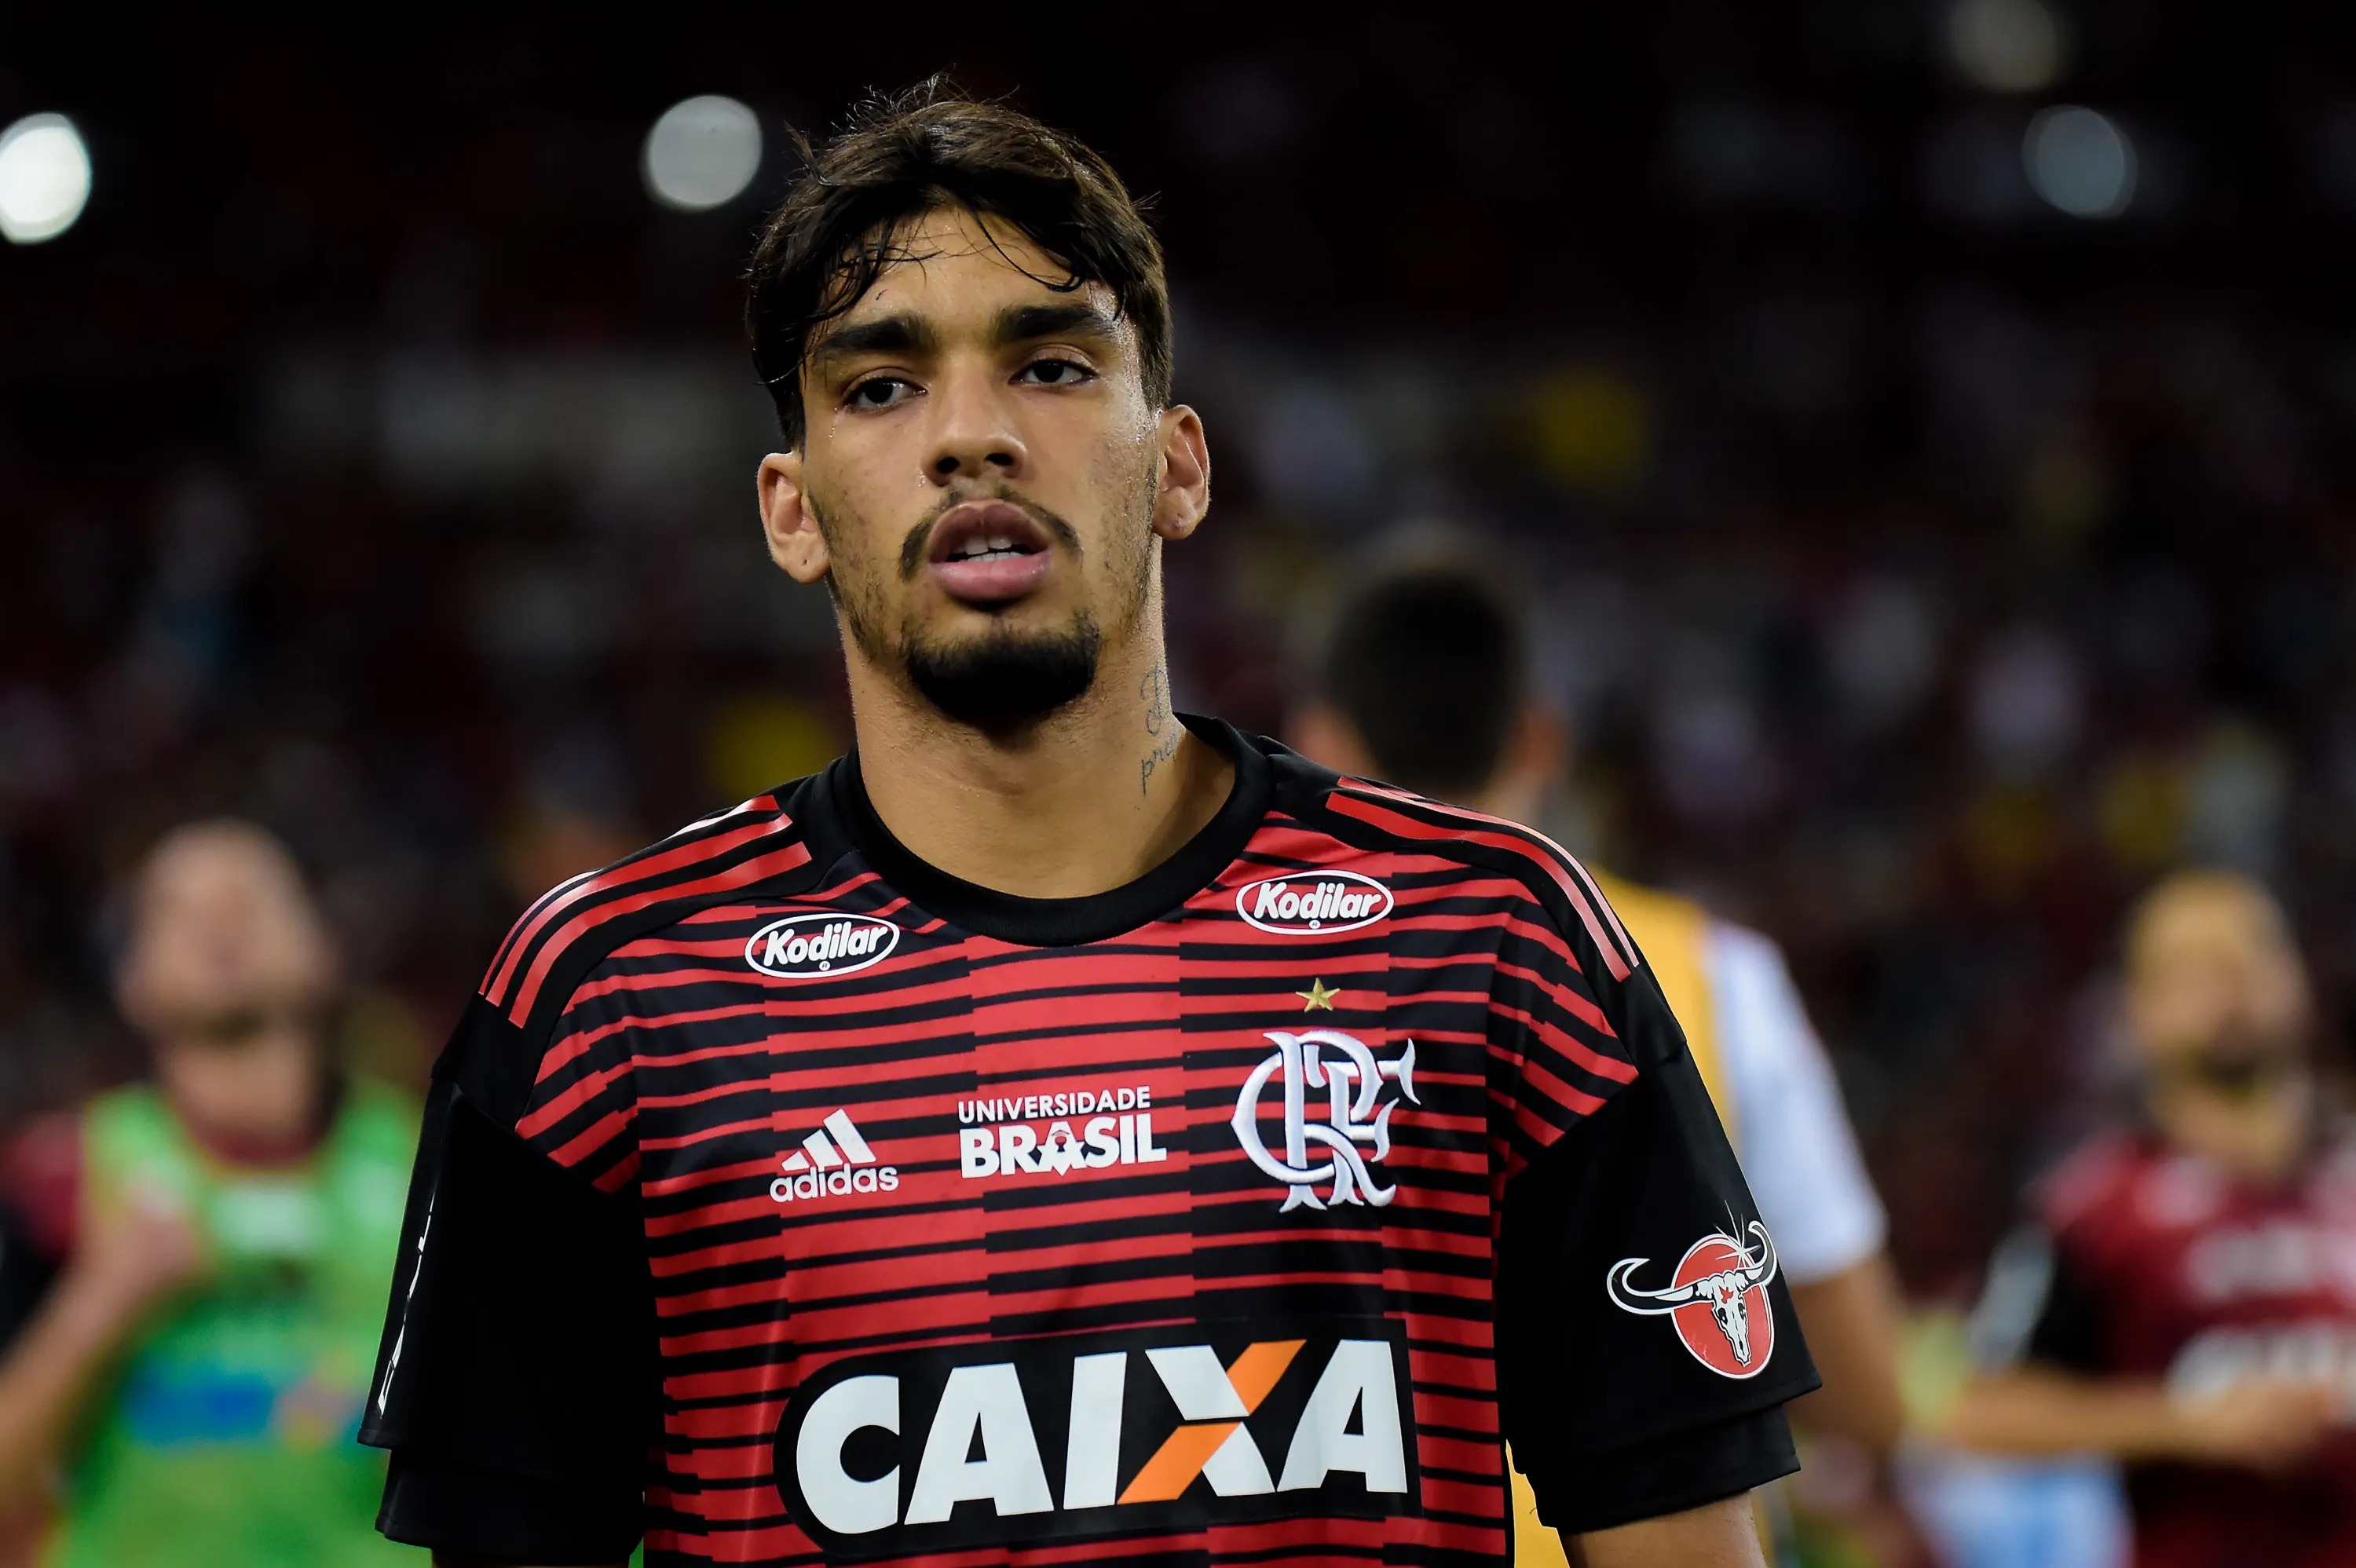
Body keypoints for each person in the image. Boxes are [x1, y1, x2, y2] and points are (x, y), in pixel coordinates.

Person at [359, 87, 1818, 1568]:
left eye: (1052, 366)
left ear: (1178, 464)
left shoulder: (1500, 939)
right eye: (882, 387)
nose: (972, 435)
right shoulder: (601, 1003)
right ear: (790, 511)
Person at [1287, 562, 1921, 1566]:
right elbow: (1869, 1397)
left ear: (1317, 744)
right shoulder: (1715, 976)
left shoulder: (1233, 987)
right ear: (1540, 736)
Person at [0, 820, 421, 1567]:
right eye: (179, 910)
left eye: (251, 899)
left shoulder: (436, 1175)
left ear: (323, 949)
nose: (220, 924)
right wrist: (99, 1302)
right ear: (132, 979)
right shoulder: (57, 1183)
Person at [1947, 868, 2356, 1567]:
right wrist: (2184, 1422)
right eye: (2194, 970)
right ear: (2136, 1012)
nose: (2231, 986)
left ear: (2299, 980)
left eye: (2253, 955)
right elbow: (1982, 1412)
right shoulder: (2091, 1209)